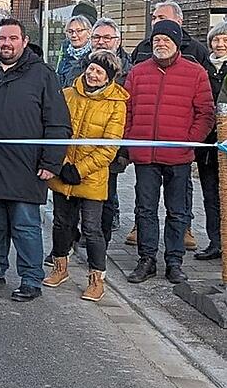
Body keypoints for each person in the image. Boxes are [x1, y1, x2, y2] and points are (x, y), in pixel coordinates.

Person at [0, 18, 71, 302]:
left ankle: (31, 278)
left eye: (13, 38)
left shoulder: (43, 75)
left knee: (25, 226)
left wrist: (51, 162)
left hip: (26, 167)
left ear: (24, 42)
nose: (7, 44)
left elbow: (58, 123)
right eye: (2, 38)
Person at [125, 20, 214, 285]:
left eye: (166, 40)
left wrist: (189, 141)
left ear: (176, 43)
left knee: (178, 211)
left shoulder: (195, 73)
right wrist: (131, 140)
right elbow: (126, 110)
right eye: (156, 40)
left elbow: (205, 113)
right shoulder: (138, 72)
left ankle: (174, 261)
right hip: (145, 155)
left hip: (178, 156)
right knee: (145, 210)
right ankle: (147, 259)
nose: (160, 44)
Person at [43, 51, 127, 302]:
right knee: (61, 223)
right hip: (63, 172)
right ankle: (60, 267)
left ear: (108, 77)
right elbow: (55, 130)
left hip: (92, 177)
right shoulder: (67, 94)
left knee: (92, 228)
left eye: (99, 72)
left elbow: (109, 148)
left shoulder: (117, 104)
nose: (93, 74)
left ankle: (96, 279)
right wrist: (62, 164)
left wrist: (79, 169)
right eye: (91, 69)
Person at [89, 18, 132, 249]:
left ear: (118, 40)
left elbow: (132, 113)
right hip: (79, 147)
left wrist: (124, 151)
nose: (101, 42)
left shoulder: (129, 71)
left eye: (107, 37)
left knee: (105, 197)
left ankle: (100, 246)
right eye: (96, 37)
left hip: (110, 149)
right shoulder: (80, 66)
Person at [195, 21, 227, 261]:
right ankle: (215, 242)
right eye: (216, 40)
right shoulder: (202, 69)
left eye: (225, 40)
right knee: (210, 194)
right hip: (207, 144)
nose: (220, 44)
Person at [55, 15, 93, 87]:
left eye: (79, 31)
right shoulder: (64, 54)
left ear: (89, 33)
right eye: (70, 31)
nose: (74, 35)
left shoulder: (94, 56)